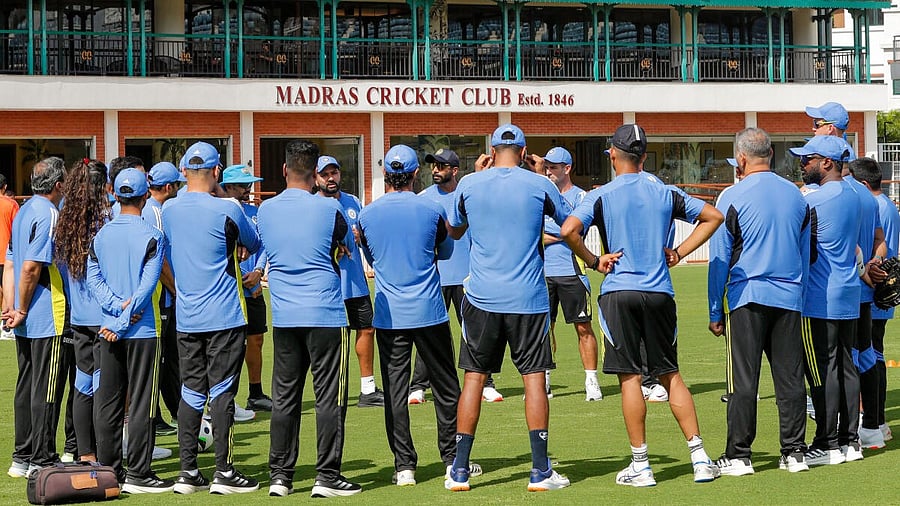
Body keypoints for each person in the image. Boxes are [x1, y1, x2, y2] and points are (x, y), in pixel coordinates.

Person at [560, 123, 723, 487]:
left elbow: (569, 230)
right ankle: (699, 459)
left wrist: (593, 260)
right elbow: (713, 217)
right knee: (671, 374)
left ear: (613, 155)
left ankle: (642, 465)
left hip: (619, 292)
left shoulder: (602, 194)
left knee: (630, 376)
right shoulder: (666, 191)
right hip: (659, 292)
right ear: (645, 157)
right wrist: (678, 252)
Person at [445, 124, 586, 492]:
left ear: (491, 152)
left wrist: (476, 178)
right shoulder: (539, 184)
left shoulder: (470, 184)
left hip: (480, 299)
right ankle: (540, 471)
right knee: (534, 379)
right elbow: (572, 222)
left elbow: (455, 229)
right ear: (524, 153)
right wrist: (540, 177)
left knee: (473, 378)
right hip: (527, 299)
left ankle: (459, 470)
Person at [257, 140, 361, 498]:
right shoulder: (329, 209)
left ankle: (280, 477)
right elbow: (345, 241)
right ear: (315, 174)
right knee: (328, 397)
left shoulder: (265, 211)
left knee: (285, 399)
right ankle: (326, 476)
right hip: (325, 314)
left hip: (285, 316)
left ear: (285, 170)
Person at [358, 144, 464, 487]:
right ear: (416, 173)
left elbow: (372, 259)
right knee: (447, 388)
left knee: (395, 392)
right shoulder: (432, 208)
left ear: (387, 175)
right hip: (430, 310)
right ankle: (451, 460)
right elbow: (445, 252)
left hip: (390, 315)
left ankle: (404, 466)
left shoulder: (367, 214)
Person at [707, 128, 810, 475]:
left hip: (747, 296)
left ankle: (739, 454)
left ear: (741, 158)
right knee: (791, 378)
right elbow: (805, 253)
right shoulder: (798, 197)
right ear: (771, 155)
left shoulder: (731, 196)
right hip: (790, 297)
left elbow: (719, 259)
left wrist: (714, 309)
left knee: (743, 380)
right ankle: (794, 451)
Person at [161, 141, 261, 494]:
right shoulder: (229, 208)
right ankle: (224, 471)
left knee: (190, 392)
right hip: (224, 316)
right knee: (221, 393)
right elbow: (254, 240)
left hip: (187, 316)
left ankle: (187, 471)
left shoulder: (170, 210)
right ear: (217, 171)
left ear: (184, 172)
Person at [88, 168, 172, 493]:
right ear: (145, 194)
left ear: (115, 194)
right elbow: (147, 286)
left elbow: (94, 279)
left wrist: (113, 313)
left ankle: (108, 471)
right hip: (143, 330)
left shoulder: (101, 234)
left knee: (107, 401)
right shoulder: (153, 235)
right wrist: (124, 318)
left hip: (107, 327)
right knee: (141, 402)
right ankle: (139, 472)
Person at [789, 135, 863, 466]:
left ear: (827, 163)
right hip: (848, 291)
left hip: (821, 295)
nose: (802, 164)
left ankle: (828, 443)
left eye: (808, 159)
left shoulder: (816, 201)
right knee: (845, 365)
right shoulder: (853, 194)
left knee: (823, 369)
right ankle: (850, 441)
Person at [412, 148, 503, 404]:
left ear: (454, 170)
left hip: (468, 277)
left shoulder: (470, 193)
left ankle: (485, 382)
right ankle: (418, 385)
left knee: (474, 334)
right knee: (429, 333)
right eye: (433, 166)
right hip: (435, 278)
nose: (436, 170)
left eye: (441, 166)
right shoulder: (422, 199)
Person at [4, 157, 68, 478]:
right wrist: (24, 308)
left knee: (27, 382)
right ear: (58, 185)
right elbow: (31, 266)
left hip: (25, 314)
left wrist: (11, 306)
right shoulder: (50, 213)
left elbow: (11, 264)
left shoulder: (24, 210)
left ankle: (22, 455)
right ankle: (41, 458)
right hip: (47, 314)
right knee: (47, 387)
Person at [314, 156, 384, 408]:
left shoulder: (353, 202)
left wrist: (360, 237)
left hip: (355, 282)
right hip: (328, 285)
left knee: (366, 329)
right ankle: (331, 392)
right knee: (331, 338)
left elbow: (366, 237)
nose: (331, 178)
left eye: (335, 172)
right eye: (325, 174)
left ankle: (367, 389)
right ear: (315, 177)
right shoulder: (313, 206)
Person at [54, 158, 111, 464]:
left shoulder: (65, 221)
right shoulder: (105, 222)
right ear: (103, 186)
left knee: (82, 385)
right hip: (103, 316)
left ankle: (85, 452)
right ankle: (104, 453)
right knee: (103, 387)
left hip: (78, 317)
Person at [538, 146, 602, 402]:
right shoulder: (541, 196)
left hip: (573, 272)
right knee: (543, 328)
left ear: (567, 169)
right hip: (542, 274)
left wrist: (560, 234)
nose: (549, 171)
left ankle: (591, 380)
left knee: (583, 328)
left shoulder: (581, 197)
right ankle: (543, 378)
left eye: (554, 167)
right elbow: (539, 236)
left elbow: (577, 233)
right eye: (547, 166)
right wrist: (563, 234)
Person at [850, 157, 898, 446]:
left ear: (863, 184)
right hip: (880, 287)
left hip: (874, 288)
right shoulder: (885, 206)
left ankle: (874, 420)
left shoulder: (875, 206)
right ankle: (877, 421)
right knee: (874, 354)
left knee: (870, 356)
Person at [221, 164, 273, 412]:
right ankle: (227, 397)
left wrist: (258, 272)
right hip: (231, 288)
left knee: (256, 340)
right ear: (228, 186)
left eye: (249, 185)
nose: (247, 190)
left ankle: (256, 393)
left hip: (253, 286)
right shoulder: (220, 211)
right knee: (232, 345)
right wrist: (243, 276)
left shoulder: (255, 212)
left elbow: (262, 245)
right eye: (243, 185)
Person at [143, 161, 184, 435]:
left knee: (165, 359)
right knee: (164, 358)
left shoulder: (150, 209)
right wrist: (174, 289)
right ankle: (159, 416)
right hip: (160, 299)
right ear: (169, 187)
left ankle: (168, 413)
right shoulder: (156, 213)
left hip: (158, 297)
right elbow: (159, 260)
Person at [0, 173, 19, 341]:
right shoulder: (11, 204)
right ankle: (6, 328)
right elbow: (18, 228)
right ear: (4, 187)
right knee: (8, 291)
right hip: (5, 255)